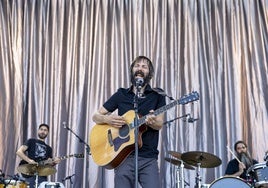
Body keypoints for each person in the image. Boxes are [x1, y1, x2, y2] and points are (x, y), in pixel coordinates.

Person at [92, 56, 166, 188]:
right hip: (124, 157)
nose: (140, 69)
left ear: (150, 73)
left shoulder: (157, 96)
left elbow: (159, 124)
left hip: (148, 158)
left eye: (144, 67)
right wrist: (107, 119)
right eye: (137, 65)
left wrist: (150, 122)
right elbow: (96, 116)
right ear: (132, 70)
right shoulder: (121, 94)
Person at [16, 123, 60, 188]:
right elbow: (19, 152)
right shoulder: (31, 141)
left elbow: (48, 164)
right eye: (41, 129)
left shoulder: (49, 148)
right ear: (38, 131)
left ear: (47, 133)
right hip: (29, 173)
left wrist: (55, 162)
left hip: (42, 176)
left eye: (45, 130)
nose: (43, 131)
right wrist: (29, 160)